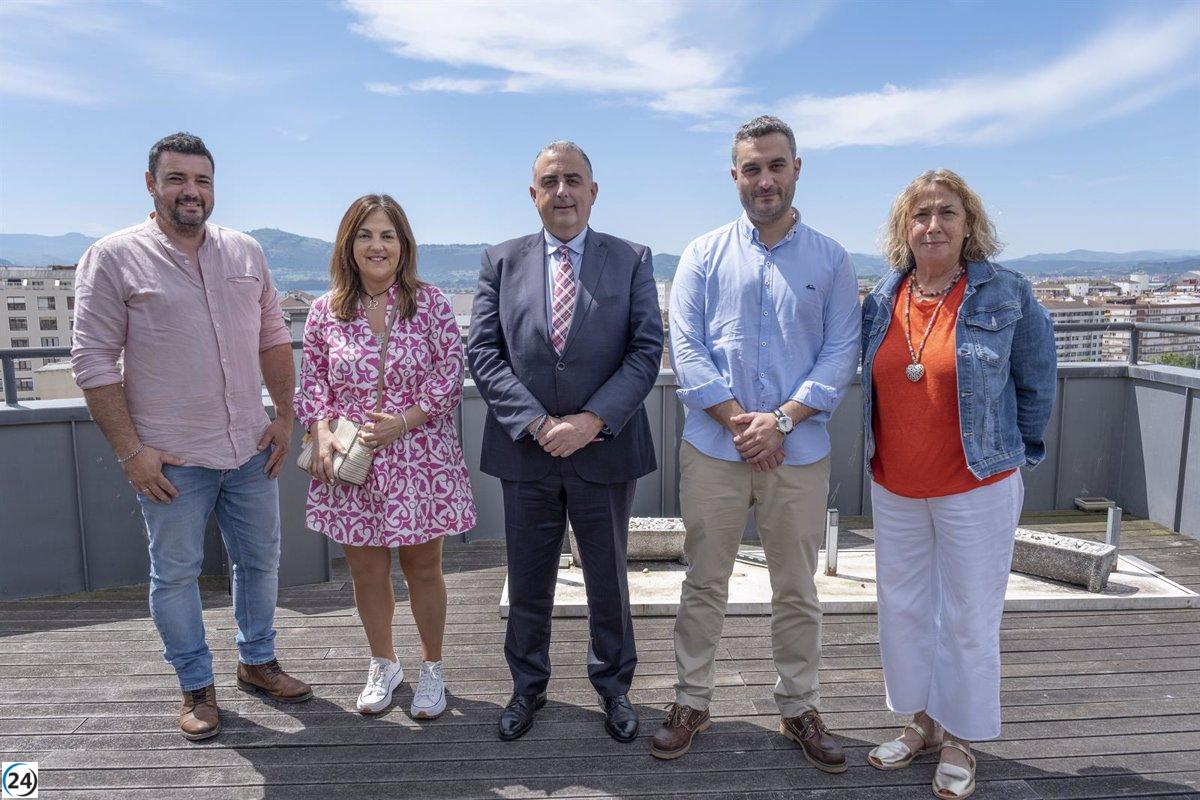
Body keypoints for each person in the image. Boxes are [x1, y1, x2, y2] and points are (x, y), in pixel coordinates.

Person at [70, 132, 311, 742]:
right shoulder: (113, 257)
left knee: (259, 562)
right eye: (177, 179)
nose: (191, 192)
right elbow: (94, 363)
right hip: (171, 460)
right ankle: (196, 687)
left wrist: (285, 417)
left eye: (202, 180)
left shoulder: (245, 252)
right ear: (151, 184)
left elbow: (272, 341)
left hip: (251, 449)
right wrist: (132, 452)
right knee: (174, 575)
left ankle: (257, 663)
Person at [655, 116, 860, 770]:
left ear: (798, 168)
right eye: (752, 168)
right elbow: (686, 351)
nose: (764, 179)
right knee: (703, 583)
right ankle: (692, 700)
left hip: (797, 452)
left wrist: (784, 421)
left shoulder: (831, 260)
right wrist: (748, 422)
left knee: (797, 589)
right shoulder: (701, 255)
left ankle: (799, 705)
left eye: (776, 165)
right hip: (715, 450)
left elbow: (840, 356)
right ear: (735, 176)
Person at [860, 169, 1056, 799]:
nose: (933, 224)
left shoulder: (1006, 294)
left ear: (969, 225)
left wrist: (1014, 455)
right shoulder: (882, 298)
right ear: (904, 228)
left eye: (947, 212)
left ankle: (962, 738)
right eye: (921, 215)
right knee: (905, 610)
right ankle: (921, 722)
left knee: (969, 615)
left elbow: (1036, 382)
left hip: (976, 484)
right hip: (894, 484)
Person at [467, 140, 663, 743]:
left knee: (609, 579)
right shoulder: (500, 261)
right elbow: (482, 351)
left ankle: (615, 688)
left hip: (603, 448)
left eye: (573, 179)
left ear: (593, 190)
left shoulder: (630, 259)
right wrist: (535, 422)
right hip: (527, 452)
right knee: (528, 578)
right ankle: (527, 688)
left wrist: (591, 421)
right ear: (533, 194)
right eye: (549, 181)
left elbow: (645, 348)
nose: (562, 192)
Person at [295, 194, 476, 719]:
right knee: (366, 571)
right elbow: (316, 385)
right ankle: (384, 662)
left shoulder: (432, 303)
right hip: (352, 462)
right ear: (348, 245)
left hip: (420, 459)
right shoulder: (326, 310)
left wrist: (404, 421)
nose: (377, 246)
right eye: (366, 235)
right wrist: (322, 431)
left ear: (404, 245)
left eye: (387, 235)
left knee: (424, 568)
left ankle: (432, 669)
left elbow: (448, 377)